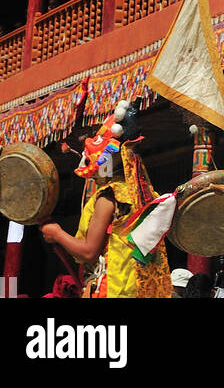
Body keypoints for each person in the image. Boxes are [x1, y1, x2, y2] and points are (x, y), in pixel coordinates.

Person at [39, 99, 172, 298]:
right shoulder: (145, 194)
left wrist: (57, 233)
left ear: (109, 162)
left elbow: (89, 252)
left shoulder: (109, 197)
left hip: (112, 289)